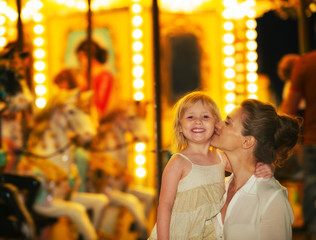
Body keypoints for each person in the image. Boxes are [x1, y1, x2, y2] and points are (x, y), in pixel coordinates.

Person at [148, 91, 272, 240]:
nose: (198, 121)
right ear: (180, 127)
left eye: (205, 116)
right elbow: (165, 206)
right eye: (190, 117)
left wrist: (267, 167)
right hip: (178, 233)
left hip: (208, 234)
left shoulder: (221, 158)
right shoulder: (178, 162)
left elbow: (247, 169)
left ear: (216, 124)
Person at [211, 99, 300, 240]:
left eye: (228, 123)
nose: (217, 125)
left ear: (248, 141)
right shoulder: (218, 187)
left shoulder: (271, 198)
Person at [280, 50, 316, 238]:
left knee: (311, 183)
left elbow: (290, 109)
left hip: (311, 136)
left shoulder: (306, 64)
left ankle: (312, 230)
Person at [76, 39, 114, 119]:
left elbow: (99, 105)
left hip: (95, 117)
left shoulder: (104, 76)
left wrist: (84, 86)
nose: (80, 62)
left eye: (81, 57)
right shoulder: (84, 75)